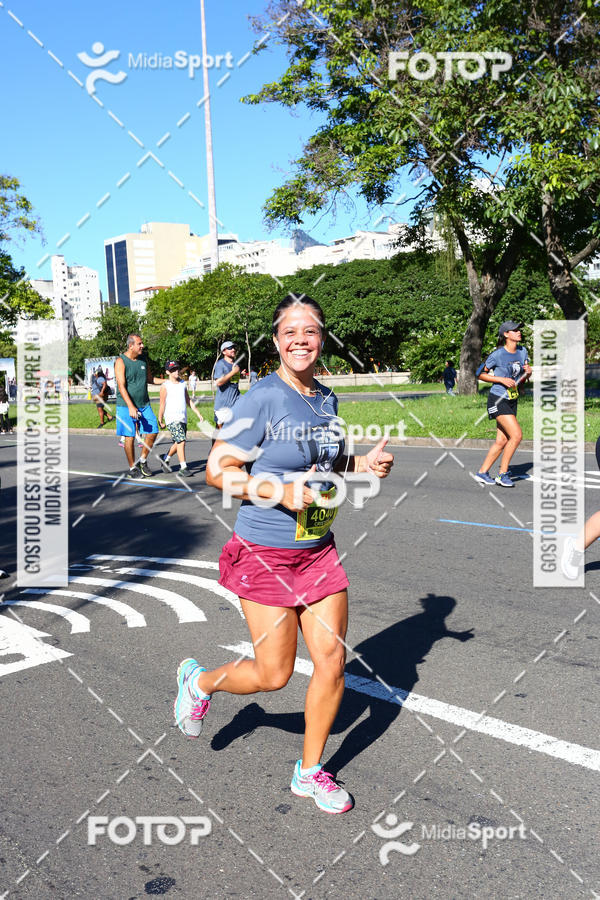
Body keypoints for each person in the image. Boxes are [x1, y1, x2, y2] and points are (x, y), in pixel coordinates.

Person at [173, 294, 394, 814]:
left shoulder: (326, 399)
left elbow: (326, 460)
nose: (301, 339)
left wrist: (365, 463)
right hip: (265, 552)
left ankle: (310, 771)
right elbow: (217, 471)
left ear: (323, 339)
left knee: (332, 662)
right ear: (276, 341)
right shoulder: (261, 398)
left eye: (311, 331)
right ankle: (199, 680)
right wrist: (279, 491)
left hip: (317, 552)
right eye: (290, 331)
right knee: (273, 675)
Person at [474, 321, 532, 488]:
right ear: (506, 334)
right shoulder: (498, 355)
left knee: (502, 440)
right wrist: (500, 379)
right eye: (514, 330)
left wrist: (528, 373)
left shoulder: (523, 351)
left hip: (512, 399)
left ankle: (482, 473)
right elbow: (480, 374)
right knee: (516, 435)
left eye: (519, 329)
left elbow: (521, 376)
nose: (519, 332)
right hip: (498, 399)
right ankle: (502, 474)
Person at [114, 334, 165, 479]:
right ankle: (132, 467)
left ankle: (142, 461)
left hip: (144, 404)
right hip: (126, 406)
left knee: (153, 430)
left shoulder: (143, 360)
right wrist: (130, 406)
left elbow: (150, 379)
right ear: (131, 346)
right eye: (139, 344)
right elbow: (121, 387)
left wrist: (168, 381)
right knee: (129, 436)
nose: (142, 346)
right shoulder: (120, 361)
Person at [158, 361, 193, 477]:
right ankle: (183, 467)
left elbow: (188, 400)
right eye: (173, 370)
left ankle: (165, 458)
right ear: (167, 372)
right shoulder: (165, 386)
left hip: (182, 417)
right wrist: (160, 419)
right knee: (181, 441)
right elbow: (162, 404)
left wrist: (197, 412)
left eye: (177, 369)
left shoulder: (183, 384)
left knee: (179, 442)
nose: (176, 371)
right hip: (171, 418)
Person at [213, 341, 240, 428]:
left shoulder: (236, 365)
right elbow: (219, 382)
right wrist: (233, 372)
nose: (233, 349)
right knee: (221, 436)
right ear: (224, 351)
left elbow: (234, 383)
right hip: (223, 406)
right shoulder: (220, 364)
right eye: (230, 348)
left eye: (234, 348)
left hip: (235, 403)